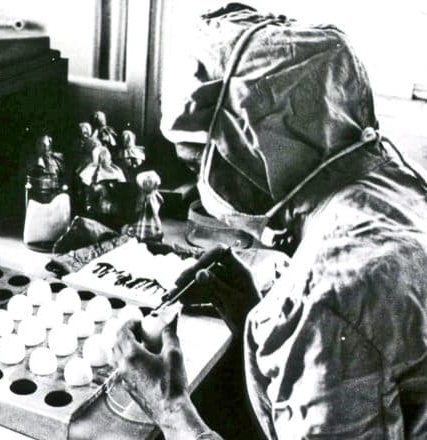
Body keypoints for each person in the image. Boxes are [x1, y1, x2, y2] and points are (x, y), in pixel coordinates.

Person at [113, 4, 427, 439]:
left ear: (254, 150)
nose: (204, 184)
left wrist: (170, 411)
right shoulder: (394, 183)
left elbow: (338, 317)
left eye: (199, 164)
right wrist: (251, 313)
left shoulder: (324, 299)